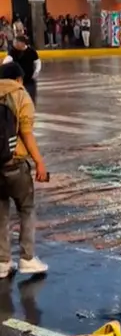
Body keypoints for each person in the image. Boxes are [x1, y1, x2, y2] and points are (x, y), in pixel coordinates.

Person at [0, 62, 48, 276]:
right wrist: (39, 162)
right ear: (19, 79)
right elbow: (26, 134)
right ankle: (27, 258)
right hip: (15, 164)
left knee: (1, 213)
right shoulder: (21, 96)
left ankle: (2, 262)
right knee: (26, 209)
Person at [2, 36, 39, 103]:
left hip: (29, 80)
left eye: (15, 42)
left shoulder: (31, 51)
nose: (14, 44)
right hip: (18, 80)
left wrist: (36, 71)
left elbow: (37, 62)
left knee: (30, 99)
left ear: (22, 43)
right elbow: (7, 60)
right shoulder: (13, 51)